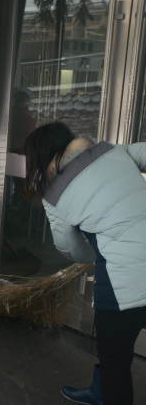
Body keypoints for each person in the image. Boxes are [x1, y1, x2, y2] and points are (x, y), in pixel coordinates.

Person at [23, 122, 146, 405]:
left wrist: (97, 251)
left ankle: (106, 393)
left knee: (115, 361)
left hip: (122, 282)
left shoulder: (54, 195)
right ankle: (99, 392)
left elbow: (72, 250)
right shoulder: (112, 151)